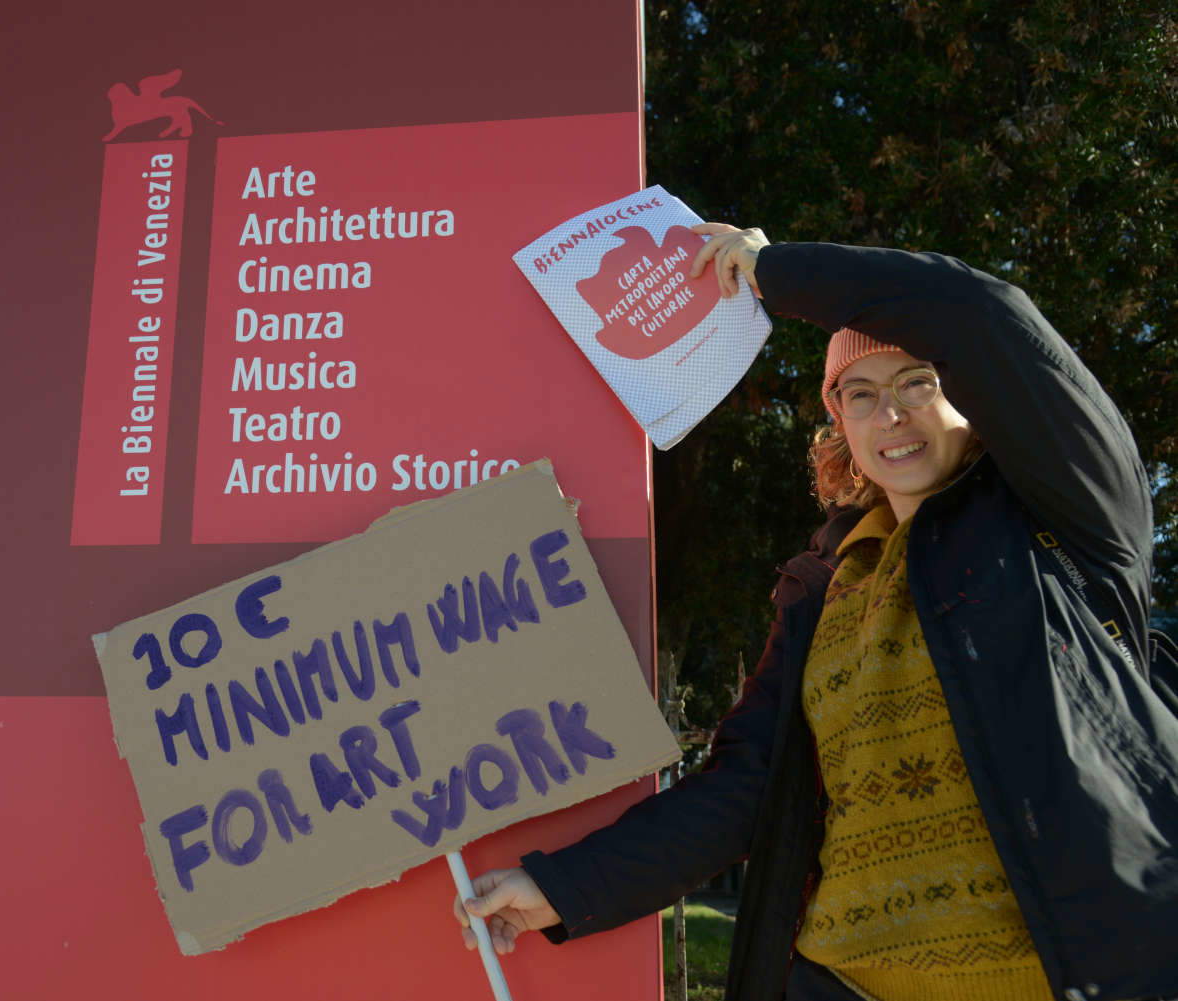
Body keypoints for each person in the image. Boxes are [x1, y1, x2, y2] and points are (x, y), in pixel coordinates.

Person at [451, 225, 1178, 1001]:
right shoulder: (823, 589)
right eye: (859, 394)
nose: (890, 414)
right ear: (841, 424)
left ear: (969, 395)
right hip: (840, 983)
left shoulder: (1066, 515)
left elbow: (985, 314)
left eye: (916, 382)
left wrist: (774, 271)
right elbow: (746, 789)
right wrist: (562, 886)